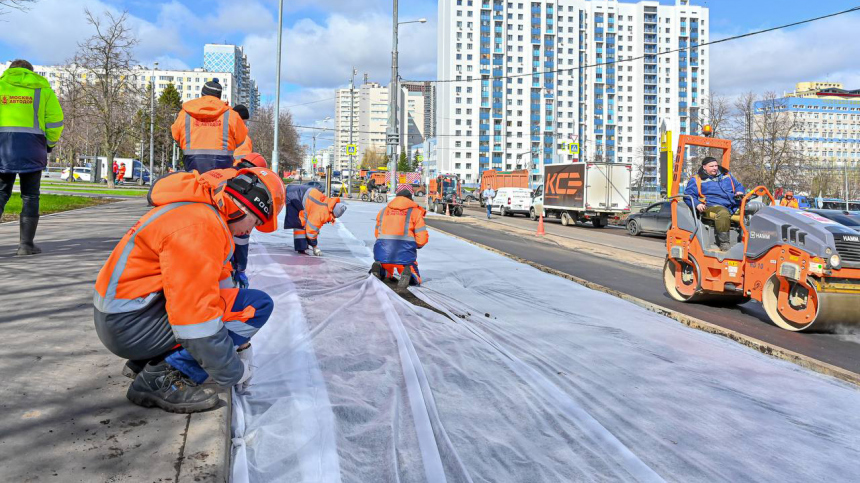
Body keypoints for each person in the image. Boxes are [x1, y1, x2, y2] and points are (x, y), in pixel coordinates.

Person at [93, 166, 285, 413]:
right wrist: (233, 371)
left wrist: (241, 343)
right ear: (247, 205)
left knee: (238, 301)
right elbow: (195, 318)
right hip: (130, 327)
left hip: (128, 318)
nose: (251, 230)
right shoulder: (200, 226)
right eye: (256, 220)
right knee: (257, 305)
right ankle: (162, 377)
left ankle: (149, 361)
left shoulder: (198, 210)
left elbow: (220, 286)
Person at [0, 59, 64, 256]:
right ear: (30, 72)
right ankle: (26, 245)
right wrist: (49, 145)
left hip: (2, 148)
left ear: (11, 71)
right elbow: (55, 122)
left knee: (1, 193)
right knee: (31, 195)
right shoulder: (42, 89)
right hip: (33, 146)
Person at [171, 79, 248, 173]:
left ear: (202, 94)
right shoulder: (232, 116)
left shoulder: (185, 114)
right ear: (219, 96)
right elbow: (241, 139)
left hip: (192, 165)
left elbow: (175, 136)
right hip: (222, 170)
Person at [685, 156, 745, 251]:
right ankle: (724, 243)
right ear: (704, 167)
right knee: (722, 213)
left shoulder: (727, 176)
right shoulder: (697, 179)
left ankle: (748, 240)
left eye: (716, 166)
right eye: (711, 166)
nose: (715, 168)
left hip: (732, 204)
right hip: (711, 206)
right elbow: (688, 195)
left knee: (752, 209)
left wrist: (739, 191)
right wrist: (697, 204)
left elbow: (738, 186)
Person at [371, 190, 428, 289]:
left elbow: (377, 234)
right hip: (405, 252)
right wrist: (417, 245)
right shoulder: (415, 212)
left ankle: (381, 270)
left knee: (387, 270)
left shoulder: (383, 211)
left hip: (382, 251)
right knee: (413, 273)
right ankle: (409, 275)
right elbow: (421, 238)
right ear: (410, 199)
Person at [230, 153, 269, 289]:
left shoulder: (230, 175)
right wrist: (240, 269)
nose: (249, 229)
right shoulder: (248, 190)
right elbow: (242, 238)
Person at [284, 184, 346, 255]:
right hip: (294, 196)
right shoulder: (322, 213)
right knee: (300, 223)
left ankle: (302, 247)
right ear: (334, 213)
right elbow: (311, 231)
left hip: (296, 192)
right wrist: (315, 247)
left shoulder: (327, 203)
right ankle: (301, 248)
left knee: (302, 221)